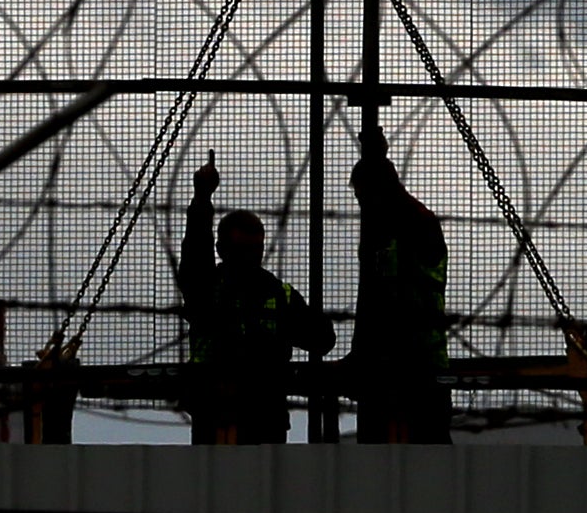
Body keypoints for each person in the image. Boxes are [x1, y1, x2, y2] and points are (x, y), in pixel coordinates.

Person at [177, 154, 333, 442]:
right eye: (242, 250)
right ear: (222, 249)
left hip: (249, 418)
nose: (249, 258)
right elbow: (195, 254)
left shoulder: (267, 293)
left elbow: (322, 338)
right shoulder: (212, 287)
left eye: (254, 249)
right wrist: (201, 199)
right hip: (231, 415)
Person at [347, 121, 451, 443]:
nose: (362, 206)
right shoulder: (394, 229)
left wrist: (375, 154)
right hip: (400, 362)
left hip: (414, 361)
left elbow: (384, 298)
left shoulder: (409, 225)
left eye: (363, 197)